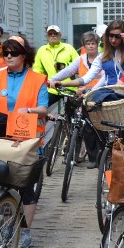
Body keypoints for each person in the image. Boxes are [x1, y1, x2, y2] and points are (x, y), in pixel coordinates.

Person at [0, 35, 48, 248]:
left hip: (26, 143)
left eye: (13, 53)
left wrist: (30, 110)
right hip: (1, 141)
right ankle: (5, 227)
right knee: (0, 185)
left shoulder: (38, 79)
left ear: (24, 56)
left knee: (26, 189)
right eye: (5, 52)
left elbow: (44, 108)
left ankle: (25, 232)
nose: (8, 56)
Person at [49, 31, 107, 167]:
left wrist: (91, 90)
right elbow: (68, 71)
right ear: (83, 46)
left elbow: (104, 79)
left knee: (97, 127)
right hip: (82, 95)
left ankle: (99, 157)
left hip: (98, 95)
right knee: (79, 124)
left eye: (93, 43)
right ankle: (82, 154)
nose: (91, 46)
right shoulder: (81, 59)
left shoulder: (103, 58)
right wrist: (53, 79)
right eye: (88, 44)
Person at [33, 25, 78, 108]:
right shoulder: (42, 50)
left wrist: (63, 66)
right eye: (50, 34)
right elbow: (37, 69)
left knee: (72, 114)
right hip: (52, 88)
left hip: (69, 88)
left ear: (60, 35)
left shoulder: (68, 48)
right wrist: (39, 83)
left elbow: (79, 65)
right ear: (47, 36)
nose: (53, 35)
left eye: (55, 34)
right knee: (39, 107)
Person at [98, 19, 124, 85]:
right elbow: (89, 76)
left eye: (117, 36)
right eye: (111, 35)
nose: (113, 40)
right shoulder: (102, 55)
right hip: (111, 92)